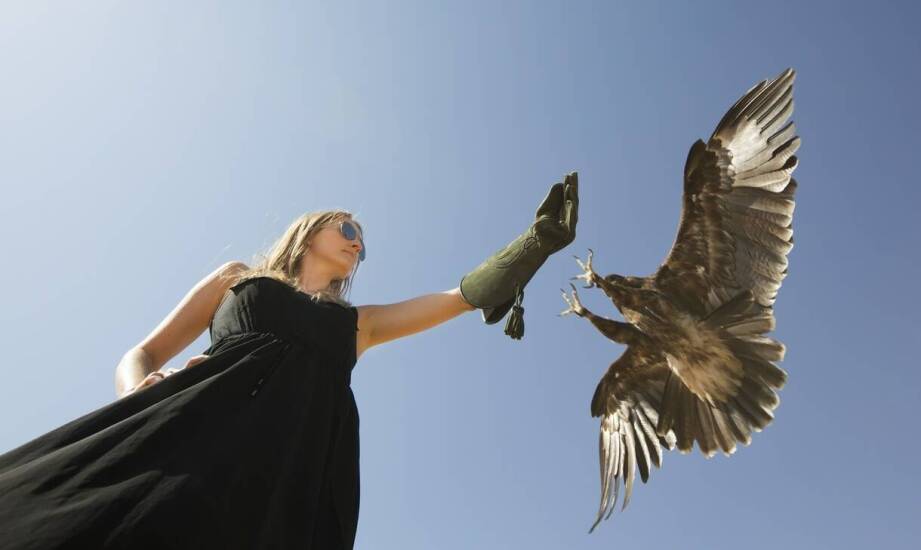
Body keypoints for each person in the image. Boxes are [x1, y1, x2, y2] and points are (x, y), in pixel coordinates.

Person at [0, 173, 578, 549]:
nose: (356, 242)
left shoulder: (359, 323)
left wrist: (532, 246)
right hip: (191, 427)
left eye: (362, 242)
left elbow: (458, 297)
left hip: (290, 471)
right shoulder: (237, 280)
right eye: (348, 229)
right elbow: (144, 352)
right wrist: (138, 391)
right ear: (309, 231)